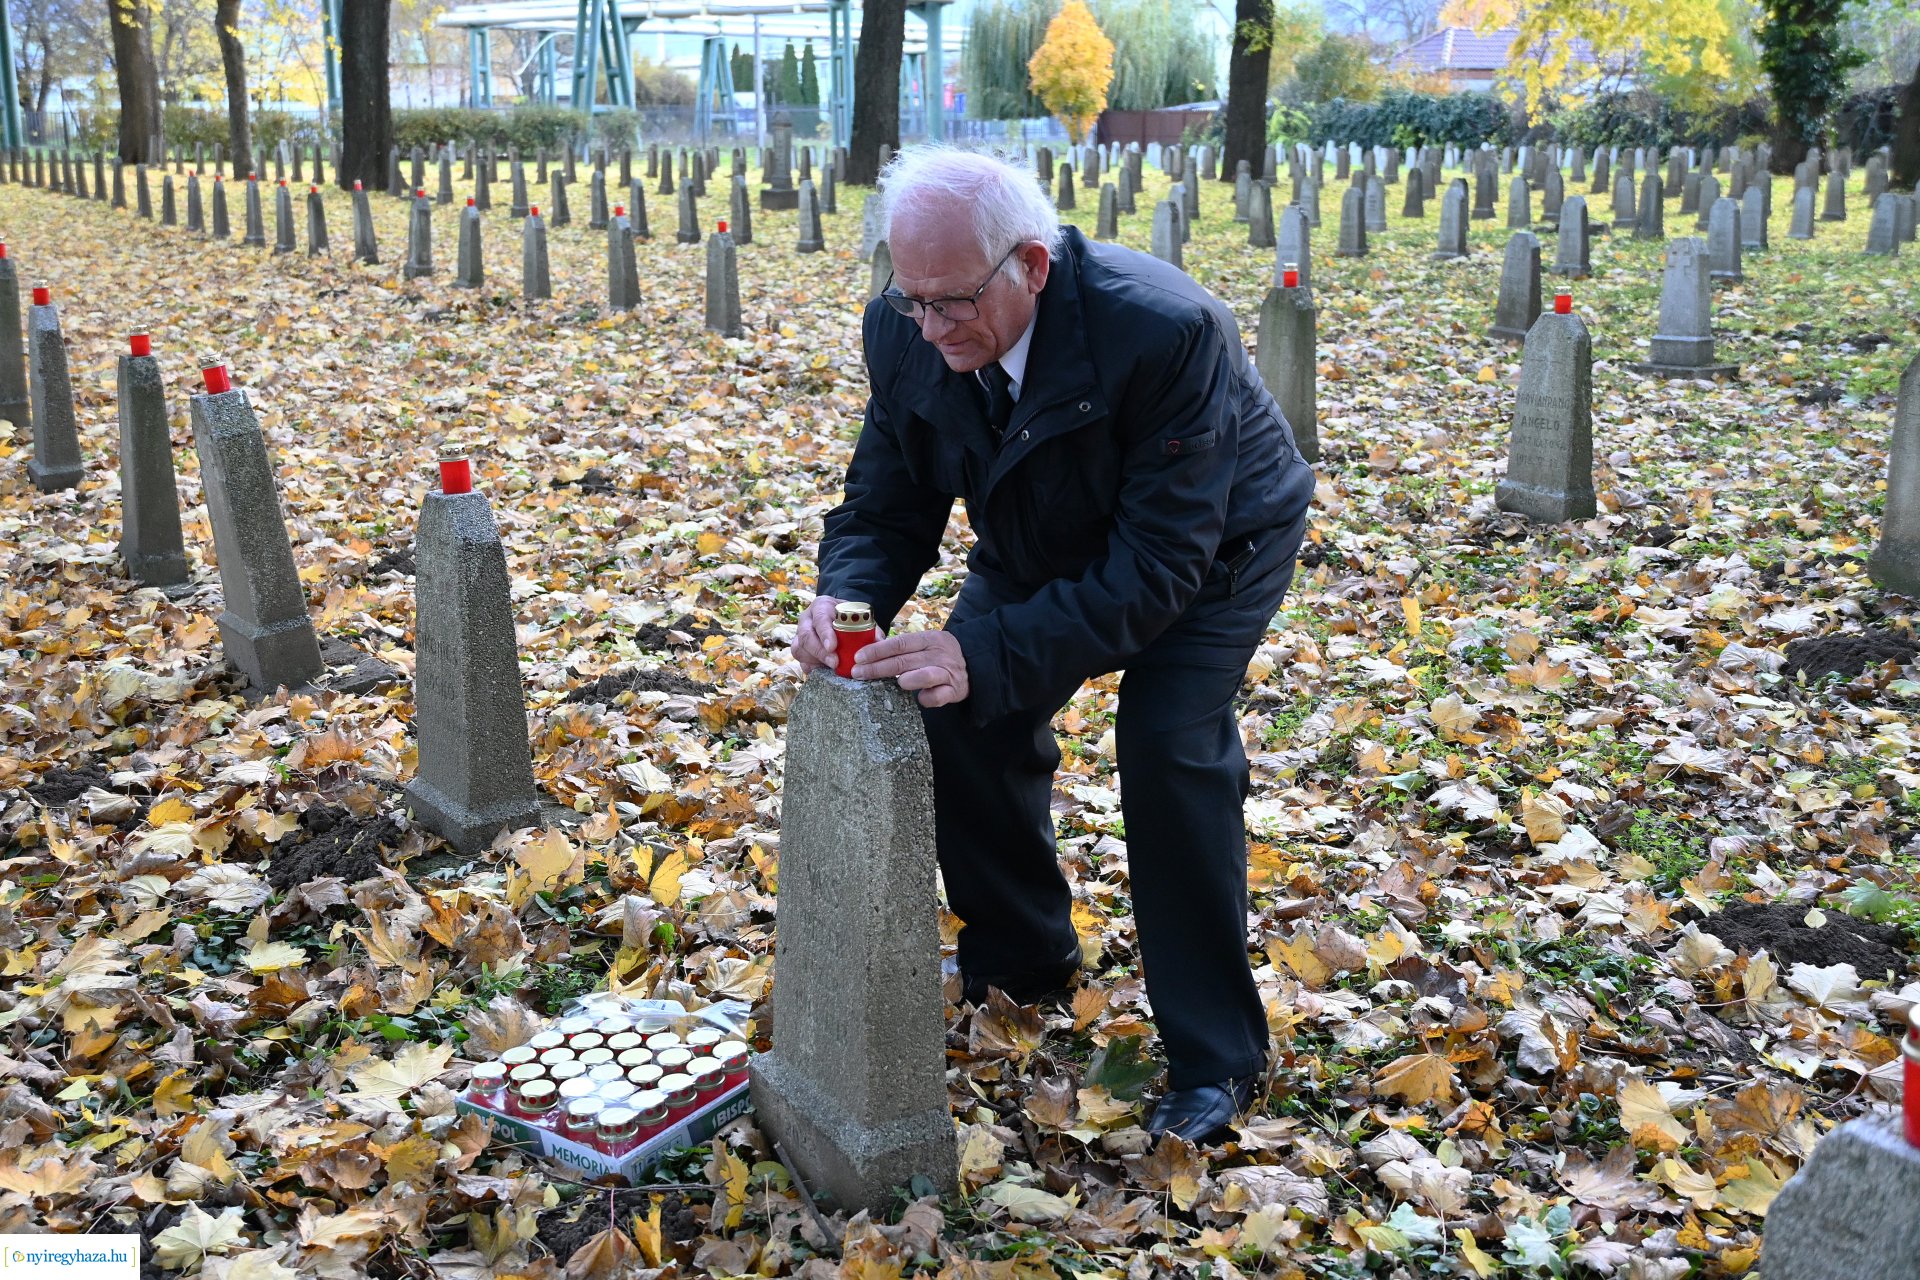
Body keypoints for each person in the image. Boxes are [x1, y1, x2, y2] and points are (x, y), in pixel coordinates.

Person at [790, 146, 1316, 1143]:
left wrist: (981, 650)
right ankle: (1024, 957)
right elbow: (887, 500)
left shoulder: (1165, 330)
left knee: (1168, 746)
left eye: (953, 303)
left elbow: (1157, 569)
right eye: (913, 300)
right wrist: (846, 596)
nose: (933, 328)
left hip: (1212, 550)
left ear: (1032, 264)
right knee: (958, 713)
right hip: (1038, 528)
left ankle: (1216, 1055)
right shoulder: (905, 333)